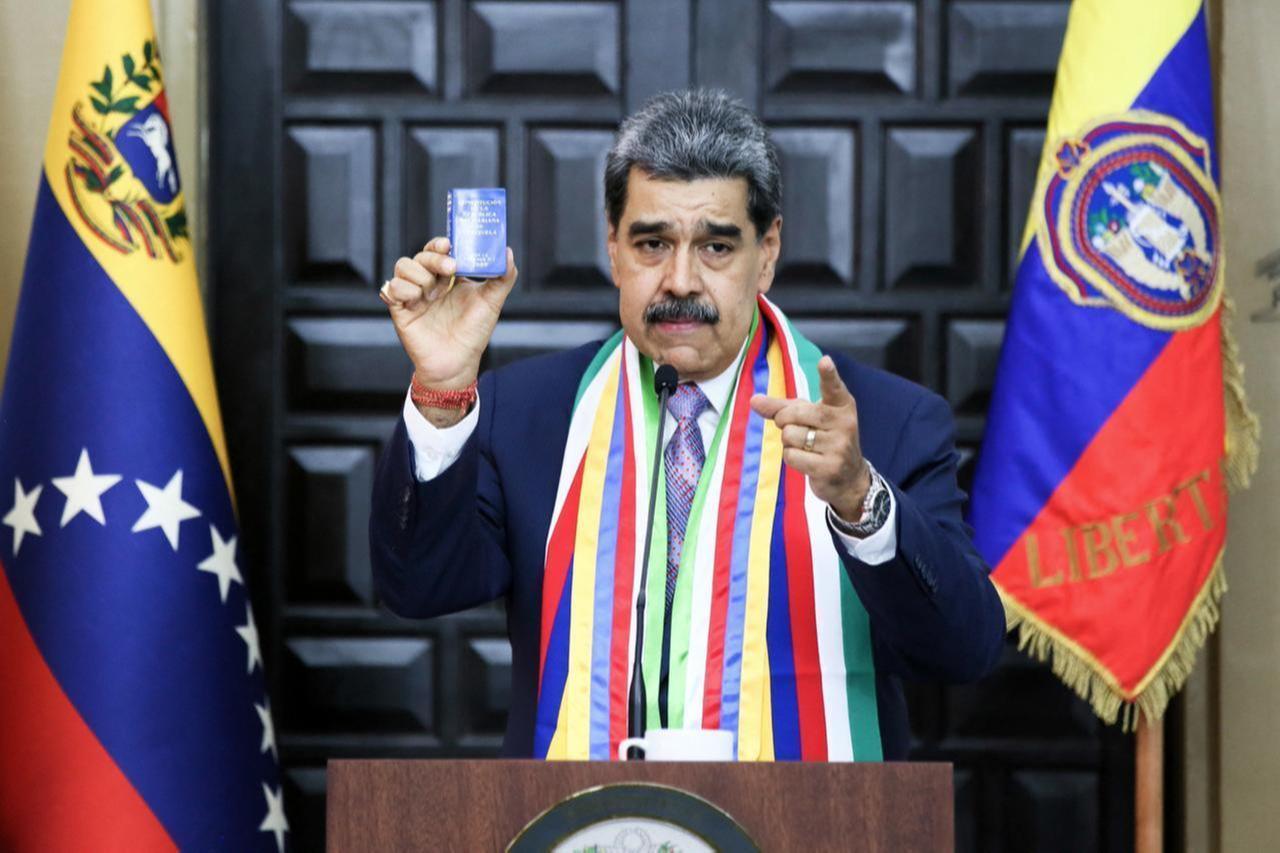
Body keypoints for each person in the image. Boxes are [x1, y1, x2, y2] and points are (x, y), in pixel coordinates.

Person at [370, 88, 1004, 761]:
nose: (679, 279)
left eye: (716, 247)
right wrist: (441, 391)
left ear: (768, 251)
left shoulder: (888, 423)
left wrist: (862, 501)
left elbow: (964, 650)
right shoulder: (528, 413)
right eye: (652, 242)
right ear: (612, 248)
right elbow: (417, 588)